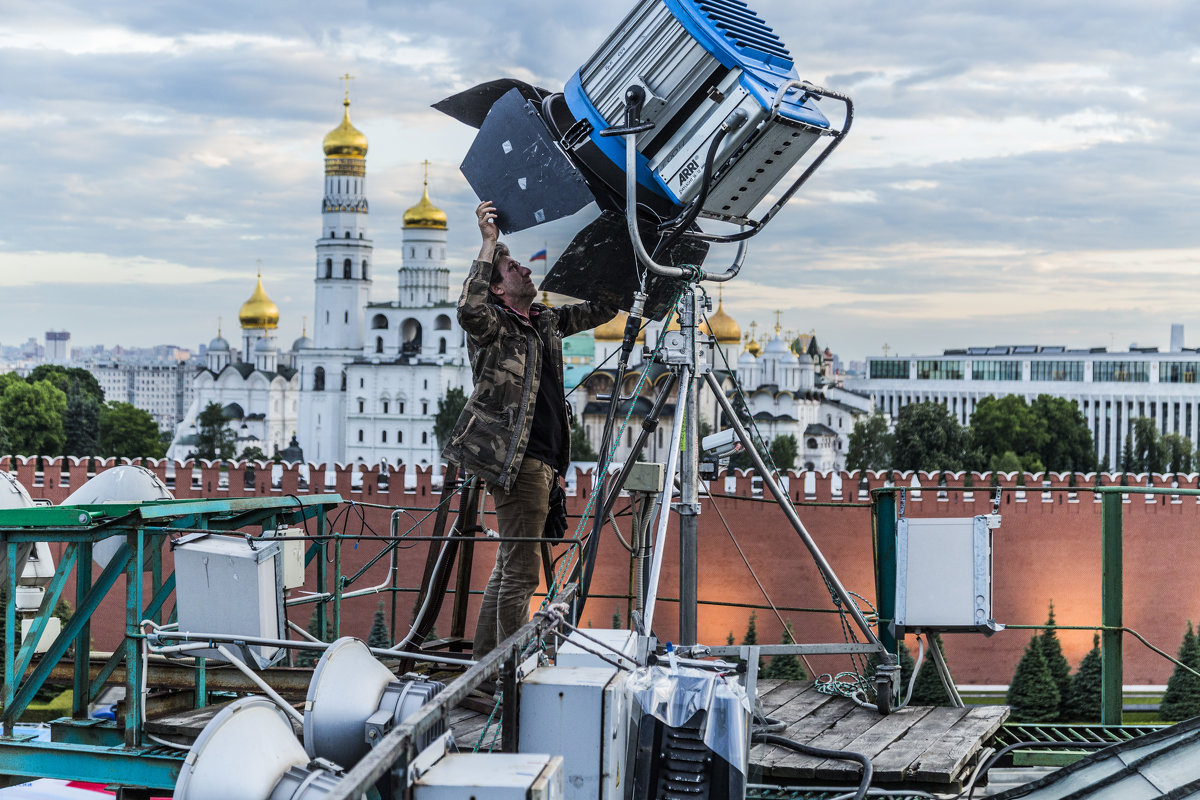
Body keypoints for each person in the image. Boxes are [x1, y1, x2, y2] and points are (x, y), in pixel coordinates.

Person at [443, 200, 618, 657]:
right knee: (521, 574)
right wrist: (487, 245)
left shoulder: (545, 321)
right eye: (512, 267)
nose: (523, 268)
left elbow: (600, 309)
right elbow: (467, 308)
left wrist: (622, 254)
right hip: (517, 461)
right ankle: (509, 672)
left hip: (542, 461)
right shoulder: (493, 326)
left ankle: (485, 662)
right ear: (498, 289)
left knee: (508, 568)